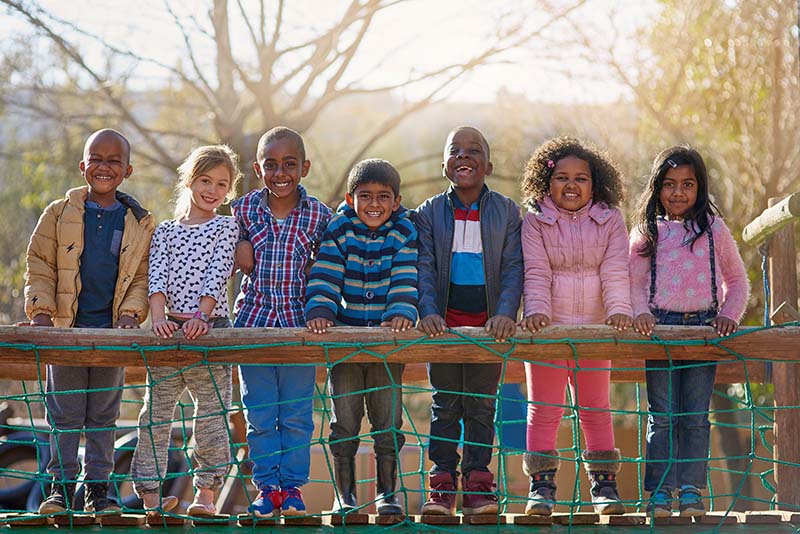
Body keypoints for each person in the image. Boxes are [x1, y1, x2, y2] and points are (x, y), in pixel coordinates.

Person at [24, 129, 154, 515]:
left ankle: (99, 490)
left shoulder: (137, 222)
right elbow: (39, 265)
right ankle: (60, 490)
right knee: (64, 414)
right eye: (96, 158)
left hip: (110, 335)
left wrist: (131, 316)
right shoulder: (58, 213)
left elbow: (142, 276)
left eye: (114, 160)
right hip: (65, 332)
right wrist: (41, 312)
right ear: (83, 166)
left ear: (127, 170)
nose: (104, 166)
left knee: (103, 414)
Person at [629, 146, 749, 517]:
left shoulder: (713, 230)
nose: (678, 193)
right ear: (657, 188)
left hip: (702, 332)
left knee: (695, 416)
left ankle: (692, 490)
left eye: (687, 184)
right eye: (669, 185)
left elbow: (737, 280)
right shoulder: (648, 231)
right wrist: (641, 313)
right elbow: (631, 283)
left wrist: (729, 314)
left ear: (700, 187)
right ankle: (660, 492)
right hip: (660, 329)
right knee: (662, 415)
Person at [520, 137, 632, 516]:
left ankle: (604, 486)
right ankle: (542, 487)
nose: (571, 185)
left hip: (596, 330)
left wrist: (619, 310)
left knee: (596, 408)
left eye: (581, 178)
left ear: (594, 184)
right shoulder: (535, 220)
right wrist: (537, 312)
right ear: (546, 183)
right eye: (562, 177)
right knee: (544, 409)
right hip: (548, 330)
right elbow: (535, 271)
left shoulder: (610, 220)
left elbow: (616, 269)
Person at [416, 126, 523, 516]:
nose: (464, 156)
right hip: (443, 326)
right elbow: (424, 266)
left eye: (474, 150)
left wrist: (505, 313)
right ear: (444, 165)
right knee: (445, 405)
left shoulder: (507, 212)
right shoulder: (428, 213)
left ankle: (479, 484)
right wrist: (428, 310)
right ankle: (442, 483)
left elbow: (513, 267)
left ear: (488, 165)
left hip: (488, 328)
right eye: (455, 151)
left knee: (480, 406)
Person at [131, 145, 241, 518]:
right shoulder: (165, 231)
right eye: (206, 180)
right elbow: (156, 274)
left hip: (209, 330)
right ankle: (150, 497)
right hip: (168, 331)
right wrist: (158, 317)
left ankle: (205, 496)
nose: (212, 190)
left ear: (230, 190)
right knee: (154, 416)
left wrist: (203, 316)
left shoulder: (225, 226)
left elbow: (220, 270)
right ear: (190, 180)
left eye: (222, 184)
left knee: (211, 414)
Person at [305, 159, 418, 517]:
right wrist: (321, 310)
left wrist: (401, 311)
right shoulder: (340, 229)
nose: (374, 204)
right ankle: (346, 496)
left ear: (396, 201)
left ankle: (388, 494)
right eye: (365, 196)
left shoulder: (404, 231)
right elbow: (326, 272)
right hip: (346, 342)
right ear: (350, 198)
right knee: (345, 424)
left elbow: (405, 274)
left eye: (383, 197)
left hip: (388, 344)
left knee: (387, 423)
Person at [232, 126, 332, 518]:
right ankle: (266, 487)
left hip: (298, 328)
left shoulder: (320, 216)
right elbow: (224, 258)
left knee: (294, 414)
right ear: (259, 168)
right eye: (271, 165)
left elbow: (328, 269)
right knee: (259, 414)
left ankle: (292, 488)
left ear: (304, 167)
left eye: (289, 164)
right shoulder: (242, 211)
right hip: (253, 324)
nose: (280, 173)